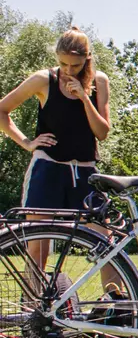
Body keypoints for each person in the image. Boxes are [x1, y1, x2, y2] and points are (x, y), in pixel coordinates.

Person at [0, 27, 114, 293]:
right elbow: (2, 110)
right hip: (48, 168)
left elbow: (103, 132)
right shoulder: (43, 80)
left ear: (87, 58)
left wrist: (85, 97)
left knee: (105, 242)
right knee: (38, 245)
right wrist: (27, 142)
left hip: (85, 171)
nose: (68, 70)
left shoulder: (99, 80)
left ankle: (117, 308)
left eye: (75, 64)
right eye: (63, 63)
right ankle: (35, 317)